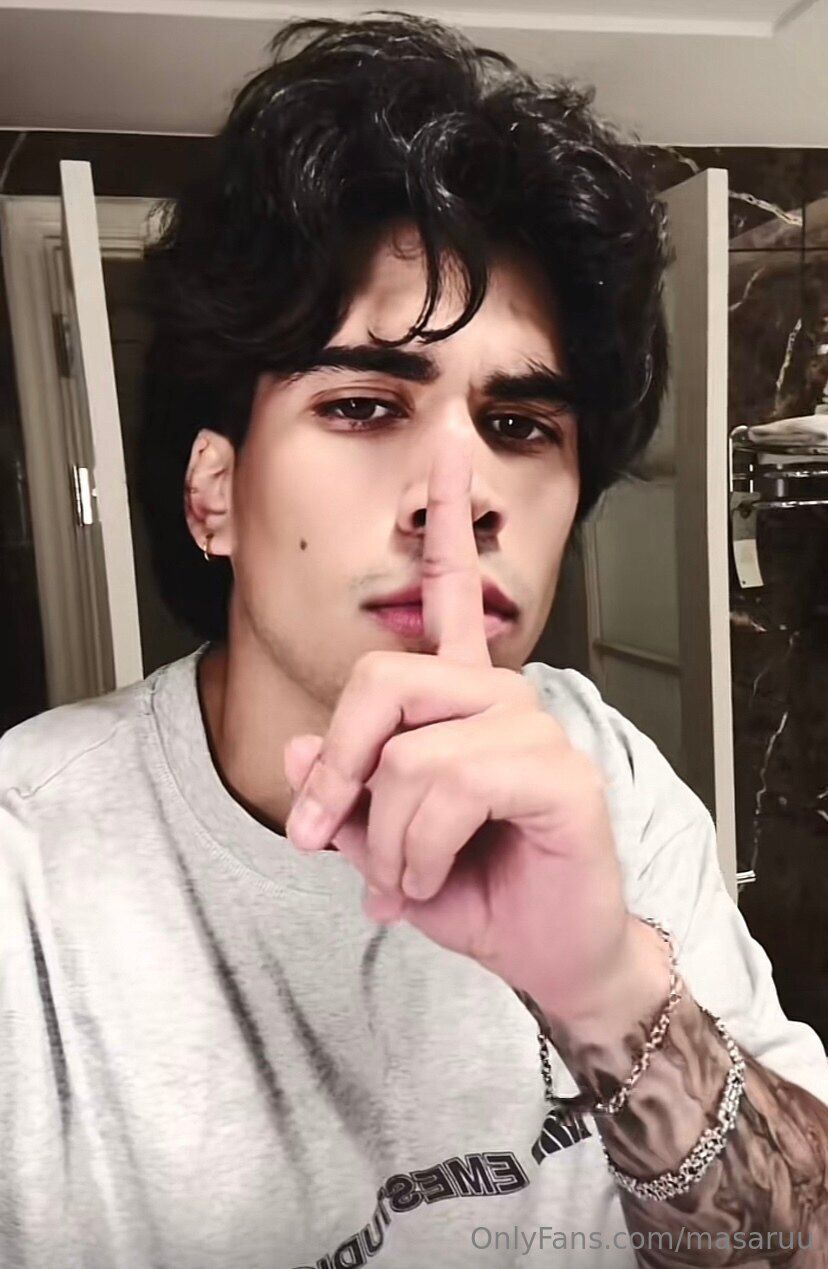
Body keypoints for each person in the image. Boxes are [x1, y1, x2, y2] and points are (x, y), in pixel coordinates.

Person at [1, 14, 827, 1269]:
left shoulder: (606, 769)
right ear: (213, 494)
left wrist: (609, 991)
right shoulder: (30, 878)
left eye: (519, 426)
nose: (461, 495)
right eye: (363, 405)